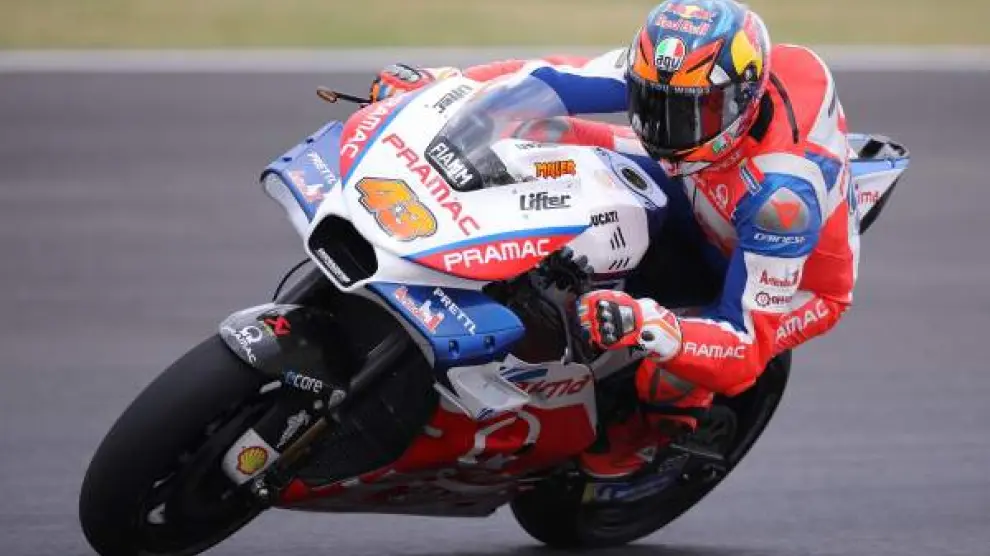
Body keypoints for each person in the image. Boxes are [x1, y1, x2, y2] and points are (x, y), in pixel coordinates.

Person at [368, 0, 858, 479]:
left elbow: (746, 348)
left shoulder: (781, 201)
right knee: (539, 133)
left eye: (690, 113)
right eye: (652, 102)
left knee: (665, 370)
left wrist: (649, 324)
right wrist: (451, 86)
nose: (666, 126)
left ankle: (657, 431)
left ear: (741, 101)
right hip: (700, 178)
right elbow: (556, 79)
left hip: (795, 279)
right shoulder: (686, 78)